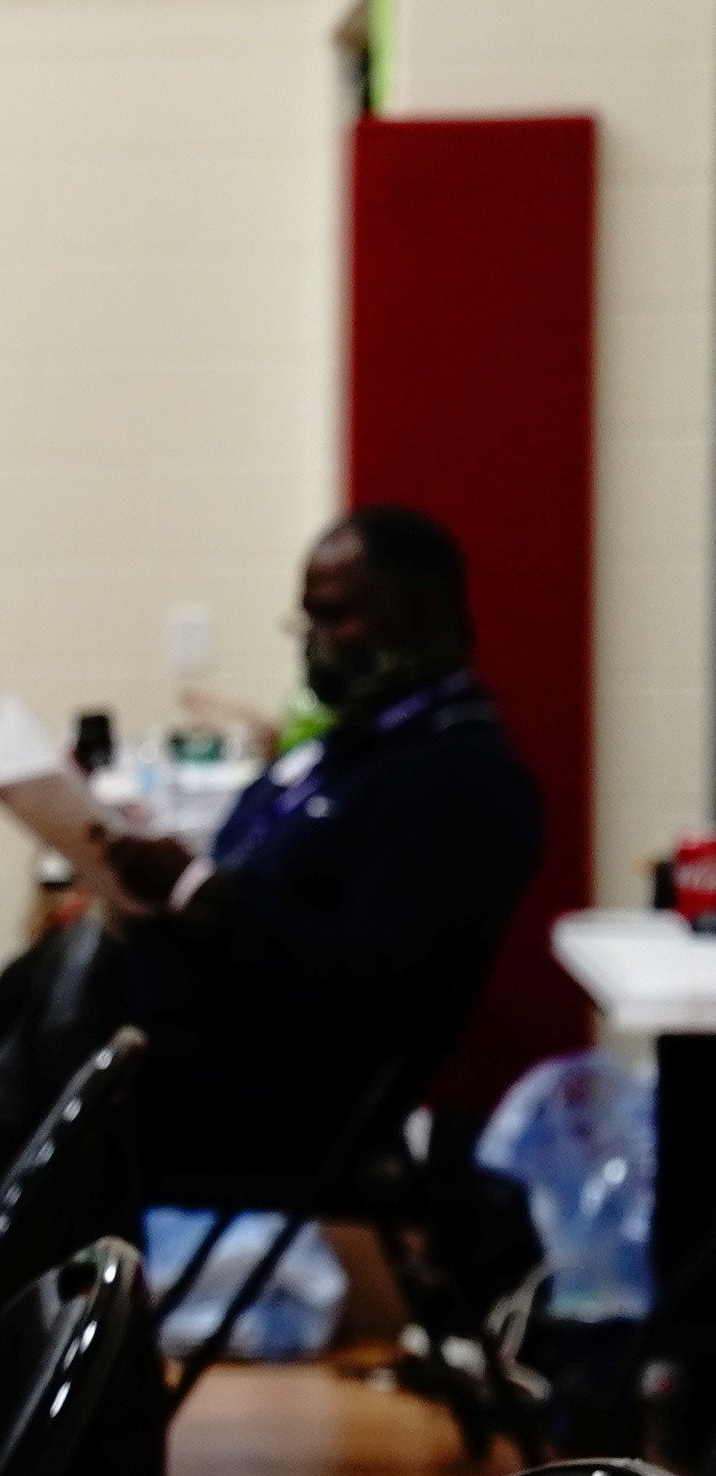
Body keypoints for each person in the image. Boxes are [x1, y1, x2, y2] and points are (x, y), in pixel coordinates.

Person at [94, 505, 548, 1191]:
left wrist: (196, 895)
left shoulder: (460, 777)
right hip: (191, 1041)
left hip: (273, 1099)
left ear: (418, 615)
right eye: (307, 620)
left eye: (335, 617)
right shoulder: (359, 742)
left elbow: (370, 985)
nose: (314, 642)